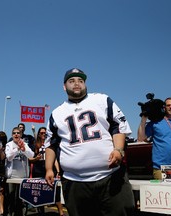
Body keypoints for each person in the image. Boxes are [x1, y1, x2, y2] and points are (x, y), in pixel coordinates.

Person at [44, 68, 135, 216]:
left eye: (80, 80)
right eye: (71, 81)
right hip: (74, 182)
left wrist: (118, 150)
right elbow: (51, 143)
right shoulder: (57, 113)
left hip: (110, 176)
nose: (76, 84)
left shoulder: (102, 100)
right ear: (64, 86)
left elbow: (118, 127)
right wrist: (49, 169)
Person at [30, 127, 65, 216]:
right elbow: (31, 158)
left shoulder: (51, 143)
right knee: (38, 192)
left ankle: (61, 212)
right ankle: (41, 212)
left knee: (55, 191)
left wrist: (58, 171)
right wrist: (36, 158)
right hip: (38, 169)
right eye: (41, 133)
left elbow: (55, 159)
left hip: (49, 169)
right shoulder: (35, 144)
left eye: (45, 133)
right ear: (38, 134)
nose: (43, 134)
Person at [5, 127, 34, 216]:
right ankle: (11, 213)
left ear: (21, 134)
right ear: (12, 135)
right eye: (14, 133)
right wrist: (17, 148)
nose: (16, 134)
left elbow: (31, 155)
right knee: (11, 197)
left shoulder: (25, 144)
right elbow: (9, 157)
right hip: (12, 176)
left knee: (20, 198)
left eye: (18, 133)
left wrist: (24, 149)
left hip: (22, 176)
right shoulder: (9, 144)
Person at [0, 131, 8, 216]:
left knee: (2, 190)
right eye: (0, 138)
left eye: (3, 139)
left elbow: (4, 157)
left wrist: (1, 150)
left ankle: (1, 207)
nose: (1, 140)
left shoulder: (7, 147)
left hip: (3, 169)